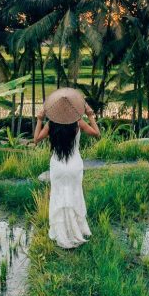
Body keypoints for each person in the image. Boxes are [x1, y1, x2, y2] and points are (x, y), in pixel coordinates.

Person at [33, 87, 100, 249]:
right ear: (72, 108)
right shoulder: (78, 122)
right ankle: (76, 230)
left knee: (59, 195)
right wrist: (90, 116)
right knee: (75, 194)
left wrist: (40, 119)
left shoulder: (51, 124)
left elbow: (36, 140)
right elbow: (97, 134)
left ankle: (61, 231)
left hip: (58, 166)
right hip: (74, 165)